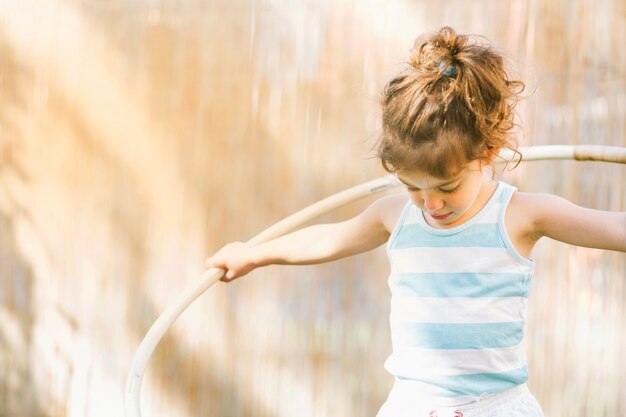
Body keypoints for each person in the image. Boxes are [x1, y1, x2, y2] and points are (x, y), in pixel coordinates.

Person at [205, 27, 626, 417]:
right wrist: (255, 254)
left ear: (488, 151)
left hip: (494, 406)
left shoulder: (521, 215)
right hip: (412, 404)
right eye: (412, 186)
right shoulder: (396, 216)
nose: (430, 203)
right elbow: (330, 238)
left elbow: (610, 227)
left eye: (446, 186)